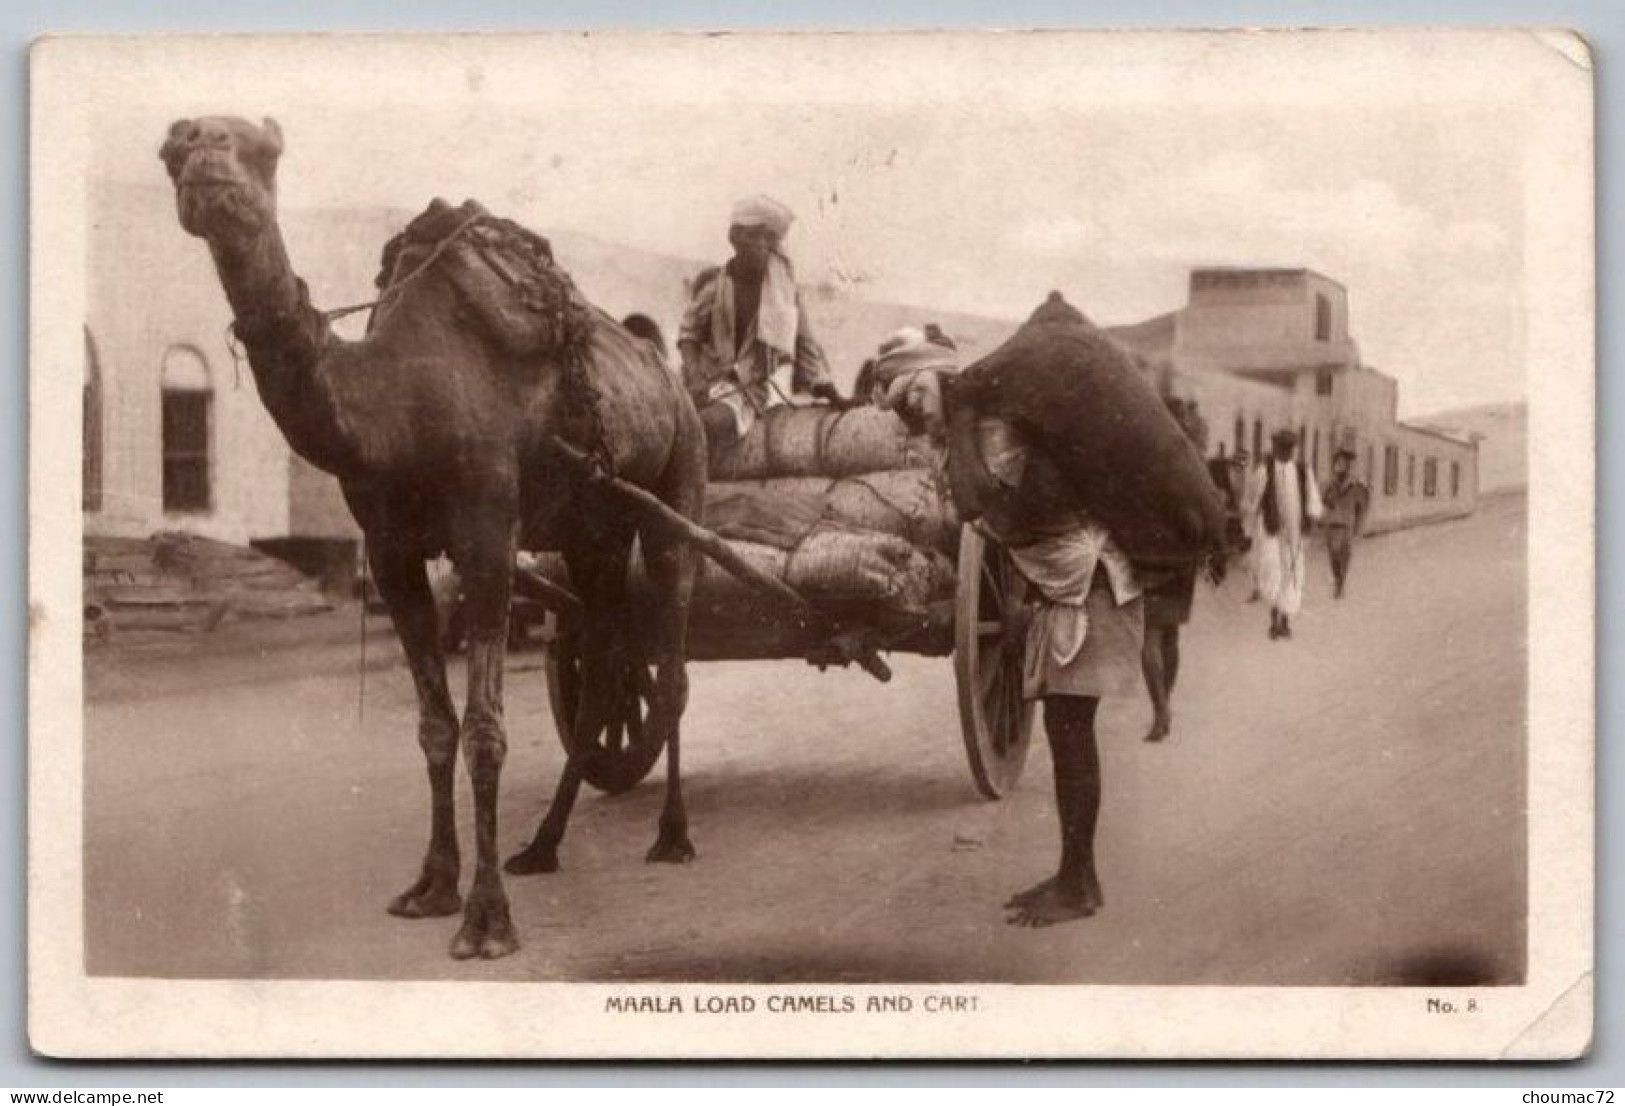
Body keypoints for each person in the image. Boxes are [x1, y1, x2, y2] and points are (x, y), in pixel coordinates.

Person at [875, 336, 1144, 928]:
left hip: (1089, 582)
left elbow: (976, 506)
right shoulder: (972, 433)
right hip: (1067, 586)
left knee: (1071, 732)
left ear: (942, 379)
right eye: (899, 403)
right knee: (1066, 730)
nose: (908, 410)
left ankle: (1079, 884)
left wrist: (961, 414)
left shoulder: (990, 429)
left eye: (913, 392)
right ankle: (1078, 875)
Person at [677, 195, 845, 450]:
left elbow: (806, 348)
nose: (763, 245)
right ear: (737, 239)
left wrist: (833, 395)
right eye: (756, 237)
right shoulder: (715, 287)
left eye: (768, 238)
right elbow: (689, 334)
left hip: (748, 393)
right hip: (704, 385)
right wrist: (694, 375)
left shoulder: (784, 296)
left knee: (703, 426)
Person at [1139, 396, 1209, 742]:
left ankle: (1160, 709)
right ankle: (1163, 703)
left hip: (1149, 553)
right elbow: (1205, 505)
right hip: (1181, 554)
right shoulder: (1190, 459)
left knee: (1151, 634)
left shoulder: (1141, 457)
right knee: (1169, 634)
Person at [1245, 429, 1323, 640]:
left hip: (1294, 533)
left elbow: (1312, 499)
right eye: (1281, 447)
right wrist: (1250, 528)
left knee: (1293, 575)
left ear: (1293, 449)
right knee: (1272, 574)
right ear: (1274, 447)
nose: (1285, 452)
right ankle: (1274, 619)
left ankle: (1285, 621)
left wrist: (1311, 523)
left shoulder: (1302, 471)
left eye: (1289, 448)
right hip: (1270, 531)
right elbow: (1252, 501)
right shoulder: (1264, 470)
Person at [1321, 447, 1370, 598]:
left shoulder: (1356, 485)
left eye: (1342, 463)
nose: (1338, 466)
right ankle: (1338, 579)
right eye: (1337, 463)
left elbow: (1363, 507)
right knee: (1333, 556)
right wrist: (1326, 503)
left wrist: (1359, 528)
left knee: (1344, 555)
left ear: (1348, 466)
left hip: (1347, 525)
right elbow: (1323, 499)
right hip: (1332, 524)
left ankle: (1340, 584)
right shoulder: (1329, 483)